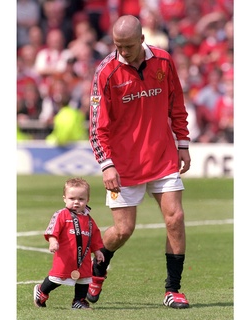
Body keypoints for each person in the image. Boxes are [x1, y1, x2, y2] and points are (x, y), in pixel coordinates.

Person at [87, 15, 191, 309]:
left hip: (162, 157)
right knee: (122, 231)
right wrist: (106, 164)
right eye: (118, 45)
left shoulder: (164, 61)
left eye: (129, 45)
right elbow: (96, 127)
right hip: (124, 165)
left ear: (142, 39)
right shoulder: (105, 71)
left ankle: (173, 289)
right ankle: (98, 267)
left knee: (176, 218)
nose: (123, 51)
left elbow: (177, 104)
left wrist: (182, 143)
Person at [33, 177, 105, 309]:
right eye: (72, 199)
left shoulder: (89, 220)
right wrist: (53, 241)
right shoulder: (61, 215)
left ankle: (79, 300)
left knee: (84, 279)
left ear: (87, 200)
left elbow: (94, 237)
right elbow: (52, 230)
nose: (76, 202)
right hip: (65, 257)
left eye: (81, 199)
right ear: (64, 198)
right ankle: (42, 291)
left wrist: (98, 251)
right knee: (57, 278)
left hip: (84, 258)